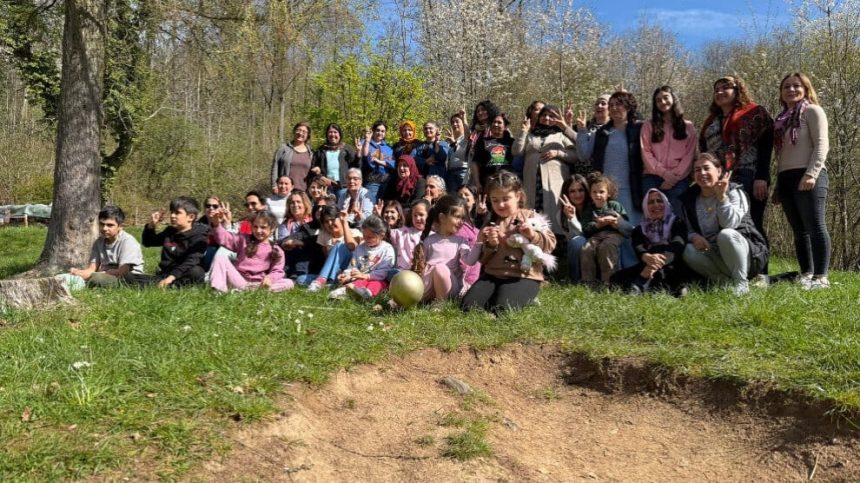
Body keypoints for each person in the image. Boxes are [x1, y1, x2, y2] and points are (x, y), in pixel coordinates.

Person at [461, 171, 556, 312]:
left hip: (523, 276)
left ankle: (527, 295)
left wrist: (532, 234)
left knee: (504, 308)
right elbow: (483, 259)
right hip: (493, 275)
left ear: (518, 196)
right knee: (468, 307)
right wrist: (491, 245)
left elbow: (550, 244)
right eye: (495, 200)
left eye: (506, 199)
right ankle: (504, 295)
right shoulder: (490, 222)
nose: (500, 204)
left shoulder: (531, 216)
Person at [773, 72, 831, 289]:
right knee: (799, 231)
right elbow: (782, 155)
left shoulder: (812, 111)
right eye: (786, 86)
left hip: (808, 174)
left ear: (806, 89)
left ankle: (821, 277)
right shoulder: (781, 120)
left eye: (796, 86)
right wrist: (778, 184)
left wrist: (811, 173)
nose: (791, 90)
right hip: (786, 177)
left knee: (815, 226)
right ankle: (807, 273)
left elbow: (822, 144)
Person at [681, 153, 768, 296]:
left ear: (719, 171)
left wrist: (722, 198)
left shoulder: (734, 191)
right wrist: (694, 237)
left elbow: (730, 224)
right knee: (687, 250)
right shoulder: (690, 199)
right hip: (713, 254)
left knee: (726, 234)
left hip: (745, 256)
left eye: (706, 168)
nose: (702, 173)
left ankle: (741, 283)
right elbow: (688, 230)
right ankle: (724, 283)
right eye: (697, 170)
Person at [700, 75, 773, 236]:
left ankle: (758, 253)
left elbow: (766, 146)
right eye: (716, 90)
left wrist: (762, 177)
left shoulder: (754, 112)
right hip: (719, 179)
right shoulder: (711, 120)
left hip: (747, 175)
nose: (720, 92)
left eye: (725, 87)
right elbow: (704, 149)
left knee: (750, 225)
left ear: (737, 90)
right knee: (724, 226)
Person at [576, 91, 644, 223]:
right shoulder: (601, 132)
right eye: (611, 105)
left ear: (628, 107)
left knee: (630, 226)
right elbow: (583, 155)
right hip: (606, 191)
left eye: (618, 104)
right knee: (608, 227)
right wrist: (582, 130)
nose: (613, 108)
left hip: (632, 188)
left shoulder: (639, 129)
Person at [513, 105, 577, 235]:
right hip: (532, 181)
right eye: (543, 115)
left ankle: (557, 240)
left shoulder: (561, 135)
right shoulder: (530, 135)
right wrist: (523, 131)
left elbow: (575, 156)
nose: (546, 118)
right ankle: (533, 238)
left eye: (551, 116)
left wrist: (558, 153)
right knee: (532, 212)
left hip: (554, 182)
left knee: (554, 212)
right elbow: (516, 151)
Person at [611, 189, 688, 295]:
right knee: (616, 278)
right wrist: (646, 256)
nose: (656, 205)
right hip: (647, 263)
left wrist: (654, 264)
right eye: (651, 202)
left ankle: (641, 284)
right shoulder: (640, 229)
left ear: (666, 203)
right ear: (645, 207)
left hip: (673, 264)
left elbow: (677, 246)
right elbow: (639, 248)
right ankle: (663, 287)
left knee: (660, 246)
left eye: (659, 201)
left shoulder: (677, 222)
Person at [127, 196, 209, 287]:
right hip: (165, 274)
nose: (172, 216)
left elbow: (192, 260)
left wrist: (171, 277)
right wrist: (151, 225)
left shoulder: (199, 236)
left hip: (183, 274)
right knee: (127, 277)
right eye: (172, 212)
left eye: (177, 213)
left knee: (196, 272)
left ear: (191, 217)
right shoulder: (170, 231)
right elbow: (148, 242)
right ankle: (164, 284)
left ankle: (163, 284)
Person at [640, 86, 697, 216]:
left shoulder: (688, 127)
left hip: (679, 180)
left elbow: (689, 156)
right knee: (653, 217)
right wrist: (664, 173)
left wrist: (673, 177)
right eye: (658, 100)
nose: (663, 102)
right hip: (652, 178)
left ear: (674, 99)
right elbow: (645, 152)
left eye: (666, 97)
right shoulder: (648, 126)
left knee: (677, 217)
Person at [207, 210, 293, 293]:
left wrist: (270, 278)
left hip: (259, 284)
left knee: (289, 283)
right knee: (220, 259)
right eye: (255, 226)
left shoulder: (276, 250)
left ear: (272, 228)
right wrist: (216, 224)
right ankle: (218, 290)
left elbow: (277, 270)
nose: (258, 230)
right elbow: (225, 238)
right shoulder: (243, 239)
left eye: (263, 227)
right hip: (239, 280)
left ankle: (248, 291)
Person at [63, 205, 144, 288]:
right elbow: (92, 269)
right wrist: (79, 273)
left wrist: (93, 274)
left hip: (128, 279)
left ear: (120, 226)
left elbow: (122, 272)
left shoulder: (128, 242)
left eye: (110, 225)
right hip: (105, 275)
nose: (104, 228)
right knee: (66, 277)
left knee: (97, 279)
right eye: (102, 224)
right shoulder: (99, 242)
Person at [411, 195, 472, 303]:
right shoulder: (429, 241)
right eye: (457, 217)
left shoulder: (460, 241)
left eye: (463, 218)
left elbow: (470, 260)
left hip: (451, 287)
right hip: (430, 285)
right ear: (442, 217)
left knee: (440, 269)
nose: (461, 222)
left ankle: (440, 302)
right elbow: (420, 266)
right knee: (408, 284)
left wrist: (479, 244)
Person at [579, 173, 633, 286]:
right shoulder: (589, 210)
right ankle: (588, 282)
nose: (598, 195)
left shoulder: (614, 205)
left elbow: (625, 223)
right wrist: (597, 225)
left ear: (608, 193)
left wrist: (615, 221)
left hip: (614, 234)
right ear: (590, 194)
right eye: (594, 192)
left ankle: (608, 281)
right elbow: (586, 228)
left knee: (606, 247)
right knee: (586, 249)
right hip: (596, 236)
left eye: (601, 192)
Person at [329, 215, 396, 300]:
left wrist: (366, 276)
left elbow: (384, 271)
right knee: (357, 283)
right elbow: (353, 266)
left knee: (376, 284)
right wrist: (346, 275)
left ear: (381, 235)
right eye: (364, 235)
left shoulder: (387, 249)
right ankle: (346, 292)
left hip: (379, 280)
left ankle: (367, 294)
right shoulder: (360, 248)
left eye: (370, 237)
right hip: (360, 279)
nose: (366, 239)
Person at [305, 205, 362, 290]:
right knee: (301, 279)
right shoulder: (324, 234)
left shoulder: (355, 232)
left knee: (339, 246)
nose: (330, 223)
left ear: (340, 218)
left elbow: (351, 247)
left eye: (332, 219)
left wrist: (344, 222)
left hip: (347, 271)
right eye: (326, 221)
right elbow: (327, 257)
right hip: (333, 272)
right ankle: (330, 282)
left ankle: (321, 280)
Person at [278, 191, 324, 281]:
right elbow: (281, 241)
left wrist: (302, 243)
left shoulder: (314, 220)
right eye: (292, 202)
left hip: (311, 257)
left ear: (305, 204)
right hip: (291, 254)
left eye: (298, 202)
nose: (295, 205)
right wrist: (286, 242)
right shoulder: (286, 224)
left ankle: (298, 274)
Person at [557, 174, 590, 283]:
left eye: (581, 190)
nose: (577, 194)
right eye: (572, 191)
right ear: (566, 193)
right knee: (576, 243)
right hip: (580, 244)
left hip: (596, 241)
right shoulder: (560, 215)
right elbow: (573, 238)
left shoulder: (594, 206)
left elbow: (590, 234)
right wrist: (572, 218)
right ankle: (575, 279)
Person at [472, 113, 515, 191]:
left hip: (507, 183)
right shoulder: (482, 141)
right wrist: (477, 182)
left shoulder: (511, 142)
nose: (495, 124)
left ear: (505, 126)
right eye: (494, 122)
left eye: (499, 122)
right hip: (487, 183)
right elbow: (475, 163)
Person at [311, 123, 358, 192]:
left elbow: (356, 167)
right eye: (330, 132)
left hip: (343, 187)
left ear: (340, 135)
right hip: (325, 187)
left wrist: (359, 154)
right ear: (327, 135)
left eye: (335, 132)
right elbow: (313, 167)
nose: (332, 134)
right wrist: (320, 176)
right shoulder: (321, 150)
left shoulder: (347, 149)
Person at [271, 122, 315, 192]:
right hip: (284, 190)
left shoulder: (311, 153)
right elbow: (275, 167)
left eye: (304, 132)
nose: (300, 133)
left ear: (307, 135)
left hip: (304, 192)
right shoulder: (283, 148)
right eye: (298, 130)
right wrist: (274, 186)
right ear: (294, 131)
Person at [356, 121, 394, 202]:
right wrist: (367, 141)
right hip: (371, 181)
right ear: (373, 131)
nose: (380, 133)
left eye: (383, 131)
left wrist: (378, 161)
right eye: (378, 130)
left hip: (386, 182)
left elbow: (392, 164)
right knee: (370, 204)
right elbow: (365, 155)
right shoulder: (364, 142)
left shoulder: (388, 147)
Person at [389, 199, 429, 272]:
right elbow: (385, 232)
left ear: (428, 215)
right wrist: (379, 216)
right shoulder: (404, 232)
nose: (417, 218)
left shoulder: (432, 235)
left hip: (423, 273)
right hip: (402, 272)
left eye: (421, 215)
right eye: (415, 215)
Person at [456, 184, 483, 290]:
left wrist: (482, 215)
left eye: (466, 194)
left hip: (473, 275)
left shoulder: (479, 219)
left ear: (474, 200)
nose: (463, 196)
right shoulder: (454, 221)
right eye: (460, 195)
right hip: (457, 273)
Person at [444, 111, 470, 192]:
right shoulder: (449, 141)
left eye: (457, 122)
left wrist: (464, 118)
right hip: (451, 173)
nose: (454, 124)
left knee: (464, 195)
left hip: (463, 171)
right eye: (452, 122)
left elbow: (464, 155)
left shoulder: (466, 138)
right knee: (452, 197)